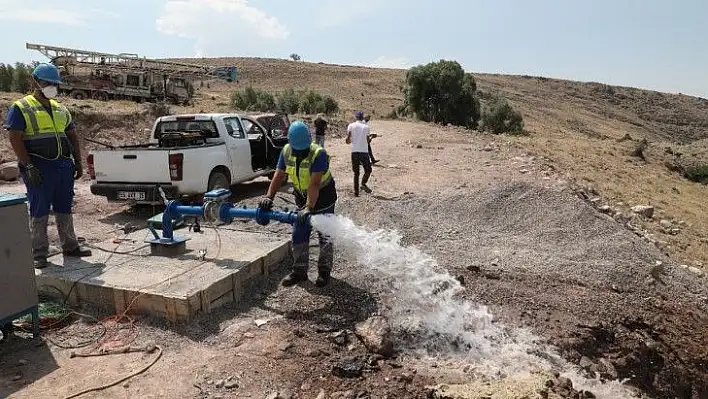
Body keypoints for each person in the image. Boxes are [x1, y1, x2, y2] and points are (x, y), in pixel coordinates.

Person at [4, 63, 91, 268]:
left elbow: (72, 136)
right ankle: (39, 253)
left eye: (55, 83)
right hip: (39, 168)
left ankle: (70, 246)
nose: (52, 86)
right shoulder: (21, 107)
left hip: (63, 167)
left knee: (64, 207)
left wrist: (77, 161)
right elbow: (15, 137)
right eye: (47, 83)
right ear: (36, 82)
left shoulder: (60, 108)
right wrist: (28, 166)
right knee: (39, 209)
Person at [258, 120, 337, 287]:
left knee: (325, 234)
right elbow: (279, 175)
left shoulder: (319, 154)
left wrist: (309, 208)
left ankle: (324, 271)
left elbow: (314, 184)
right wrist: (269, 197)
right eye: (297, 150)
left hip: (323, 197)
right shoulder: (286, 151)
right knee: (299, 233)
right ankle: (299, 271)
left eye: (303, 150)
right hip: (302, 197)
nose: (300, 153)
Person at [346, 111, 372, 196]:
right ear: (362, 117)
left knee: (356, 173)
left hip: (354, 152)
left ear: (356, 117)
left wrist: (350, 139)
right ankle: (363, 183)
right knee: (368, 170)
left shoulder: (351, 126)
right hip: (364, 152)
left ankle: (356, 193)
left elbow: (348, 141)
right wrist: (371, 137)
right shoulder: (366, 127)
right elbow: (368, 141)